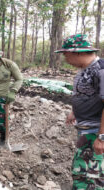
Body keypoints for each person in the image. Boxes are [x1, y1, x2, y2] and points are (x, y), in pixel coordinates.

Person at [55, 34, 104, 189]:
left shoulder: (100, 70)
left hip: (95, 131)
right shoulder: (84, 70)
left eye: (66, 54)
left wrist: (101, 137)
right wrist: (74, 111)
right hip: (86, 130)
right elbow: (85, 94)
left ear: (78, 52)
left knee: (91, 177)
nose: (65, 58)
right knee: (82, 172)